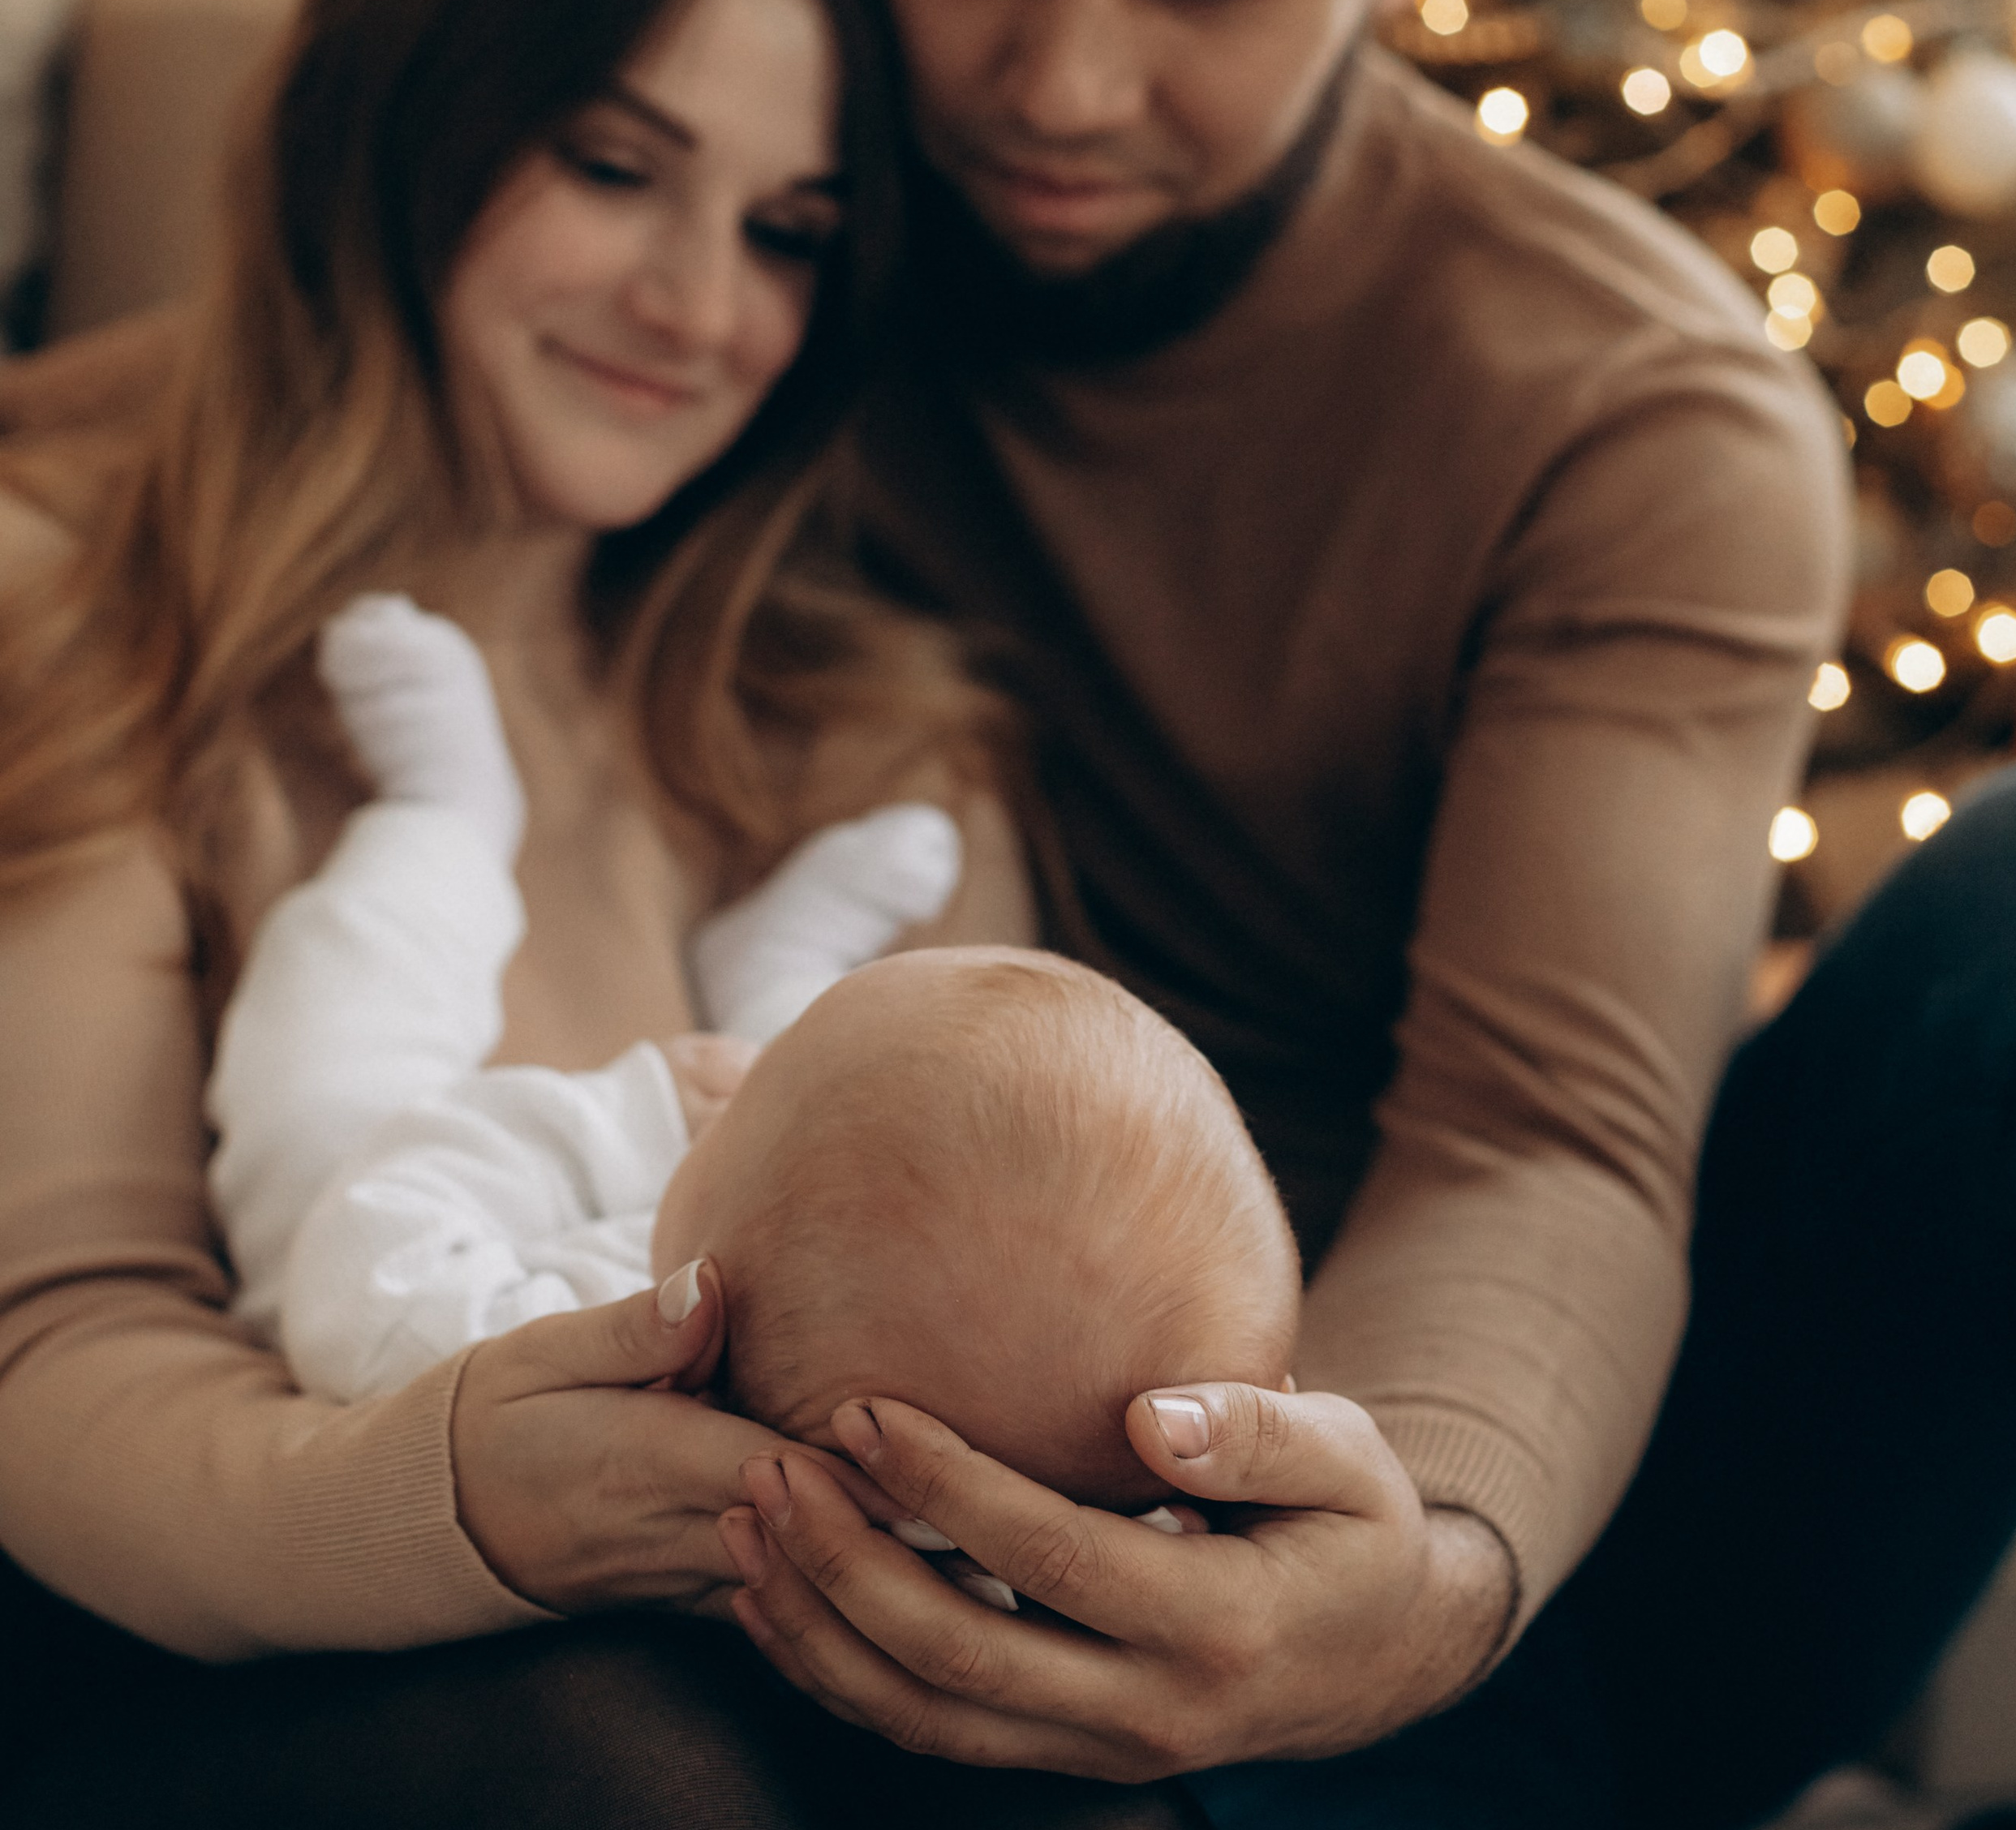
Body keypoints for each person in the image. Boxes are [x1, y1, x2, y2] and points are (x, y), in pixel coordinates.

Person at [666, 0, 2016, 1830]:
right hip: (909, 1447)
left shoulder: (1633, 408)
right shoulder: (704, 188)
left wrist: (1396, 1571)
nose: (1061, 81)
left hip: (1473, 1495)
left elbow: (1548, 1135)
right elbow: (245, 433)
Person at [0, 0, 1383, 1830]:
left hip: (727, 1721)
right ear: (399, 128)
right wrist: (450, 1497)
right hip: (139, 1700)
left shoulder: (867, 746)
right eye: (618, 167)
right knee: (612, 1778)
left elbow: (1048, 1312)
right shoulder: (77, 602)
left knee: (1050, 1824)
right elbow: (54, 1347)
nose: (689, 301)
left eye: (787, 231)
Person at [210, 586, 1298, 1526]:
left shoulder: (570, 1362)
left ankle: (440, 821)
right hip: (773, 1241)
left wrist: (635, 1116)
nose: (722, 1085)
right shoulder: (987, 1460)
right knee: (879, 1104)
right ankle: (783, 960)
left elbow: (366, 1259)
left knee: (341, 1042)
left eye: (743, 1105)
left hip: (369, 1205)